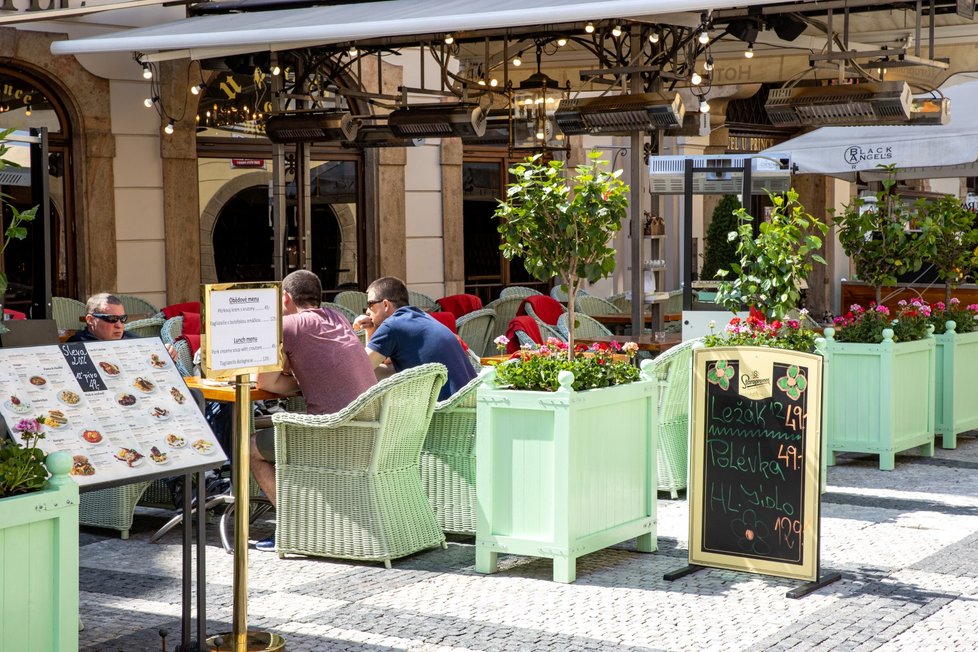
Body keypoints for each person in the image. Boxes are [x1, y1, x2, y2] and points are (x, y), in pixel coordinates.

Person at [251, 269, 377, 551]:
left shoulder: (287, 326)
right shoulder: (338, 318)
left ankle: (293, 527)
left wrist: (295, 380)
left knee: (250, 449)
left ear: (285, 298)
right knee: (281, 431)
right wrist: (306, 379)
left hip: (331, 435)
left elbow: (267, 381)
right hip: (369, 431)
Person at [353, 276, 476, 401]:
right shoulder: (420, 316)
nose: (367, 311)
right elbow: (383, 368)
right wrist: (370, 330)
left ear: (385, 304)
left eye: (370, 304)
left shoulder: (392, 325)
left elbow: (360, 368)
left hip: (442, 411)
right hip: (468, 404)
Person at [68, 293, 140, 342]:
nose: (119, 325)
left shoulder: (134, 340)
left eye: (122, 318)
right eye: (112, 319)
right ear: (90, 320)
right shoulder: (76, 347)